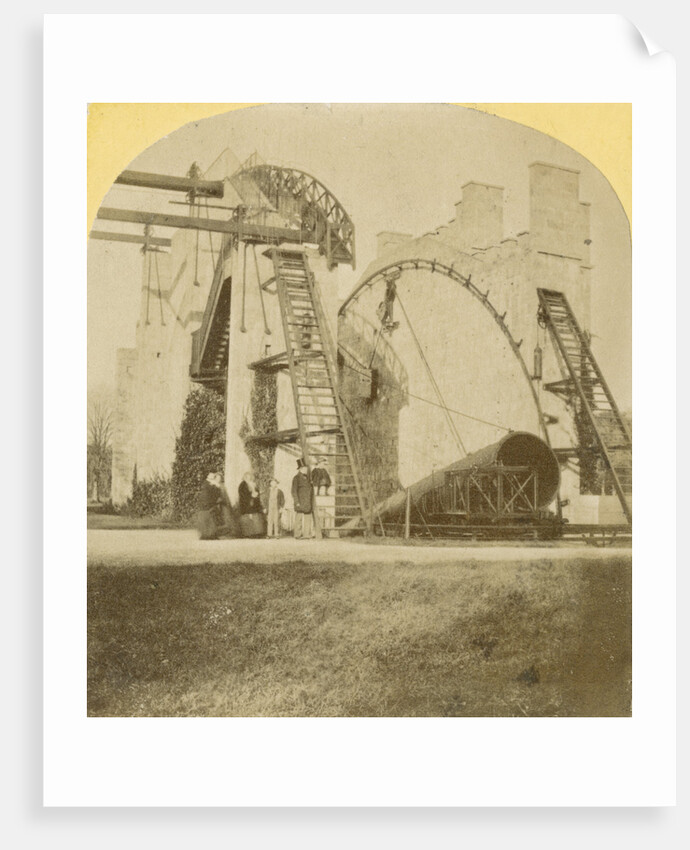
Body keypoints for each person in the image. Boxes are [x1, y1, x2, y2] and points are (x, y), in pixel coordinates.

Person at [291, 458, 315, 539]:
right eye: (304, 468)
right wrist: (297, 502)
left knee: (308, 518)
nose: (306, 469)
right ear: (300, 469)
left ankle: (306, 534)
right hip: (300, 502)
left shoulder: (308, 478)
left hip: (307, 501)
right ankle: (297, 534)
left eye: (306, 468)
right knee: (299, 519)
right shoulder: (296, 478)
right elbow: (293, 491)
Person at [238, 471, 266, 538]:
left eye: (250, 477)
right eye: (247, 477)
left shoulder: (253, 484)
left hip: (255, 503)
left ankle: (257, 533)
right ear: (244, 477)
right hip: (246, 503)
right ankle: (249, 533)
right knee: (248, 518)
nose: (248, 478)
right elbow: (242, 494)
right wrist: (251, 495)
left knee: (256, 517)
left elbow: (257, 491)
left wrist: (257, 494)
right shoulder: (242, 484)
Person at [196, 473, 223, 540]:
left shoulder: (209, 484)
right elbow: (212, 494)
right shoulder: (207, 484)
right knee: (208, 519)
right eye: (213, 477)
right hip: (207, 504)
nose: (214, 478)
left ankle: (210, 534)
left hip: (208, 504)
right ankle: (207, 535)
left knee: (211, 519)